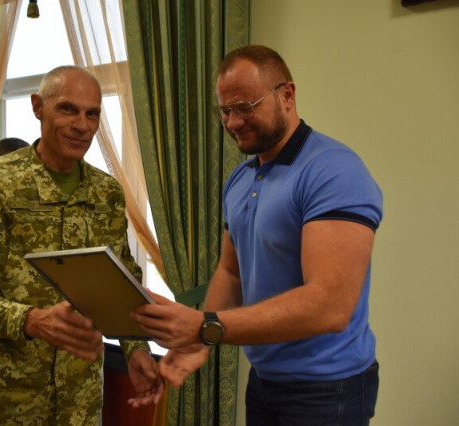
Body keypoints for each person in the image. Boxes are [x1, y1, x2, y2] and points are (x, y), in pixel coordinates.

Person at [132, 45, 383, 425]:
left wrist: (206, 327)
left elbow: (330, 306)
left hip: (329, 389)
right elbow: (231, 273)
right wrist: (200, 340)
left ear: (287, 95)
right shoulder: (240, 178)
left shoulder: (333, 170)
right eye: (225, 111)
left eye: (245, 107)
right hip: (265, 381)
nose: (233, 122)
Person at [0, 65, 163, 425]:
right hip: (1, 401)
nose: (82, 125)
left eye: (92, 114)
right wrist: (28, 320)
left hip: (78, 402)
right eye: (67, 109)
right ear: (38, 107)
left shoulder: (106, 192)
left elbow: (121, 279)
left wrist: (136, 347)